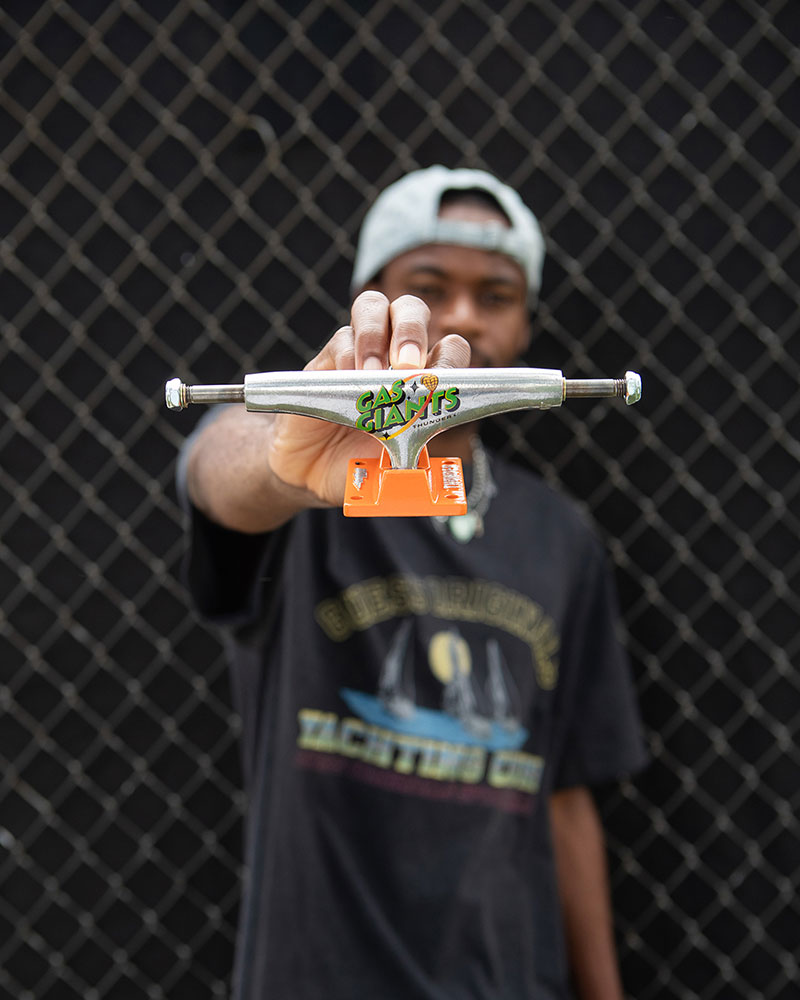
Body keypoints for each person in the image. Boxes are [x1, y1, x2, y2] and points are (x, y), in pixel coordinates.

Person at [177, 166, 648, 999]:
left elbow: (566, 790)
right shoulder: (310, 503)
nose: (462, 316)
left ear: (525, 324)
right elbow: (216, 471)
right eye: (429, 289)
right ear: (376, 302)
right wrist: (285, 460)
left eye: (495, 295)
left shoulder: (560, 537)